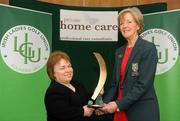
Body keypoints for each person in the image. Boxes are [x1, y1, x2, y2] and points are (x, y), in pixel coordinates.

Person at [95, 7, 160, 121]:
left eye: (129, 22)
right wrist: (102, 105)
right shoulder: (119, 52)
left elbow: (143, 85)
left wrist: (118, 105)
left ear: (138, 26)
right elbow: (115, 84)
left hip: (141, 111)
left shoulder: (148, 48)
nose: (124, 26)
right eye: (121, 23)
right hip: (120, 111)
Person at [44, 50, 94, 121]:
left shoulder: (77, 84)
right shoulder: (53, 91)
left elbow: (87, 100)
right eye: (62, 68)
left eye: (69, 66)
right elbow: (63, 112)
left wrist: (97, 94)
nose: (68, 70)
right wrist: (83, 111)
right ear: (53, 73)